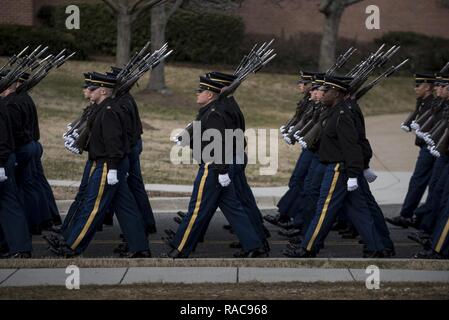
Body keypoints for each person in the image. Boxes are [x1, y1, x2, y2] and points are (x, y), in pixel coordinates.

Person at [45, 72, 151, 258]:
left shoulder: (109, 111)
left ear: (103, 90)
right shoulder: (103, 107)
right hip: (108, 163)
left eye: (92, 88)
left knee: (92, 207)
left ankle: (72, 247)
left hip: (108, 164)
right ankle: (139, 246)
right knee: (125, 206)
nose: (88, 90)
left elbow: (114, 143)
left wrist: (112, 168)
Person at [163, 76, 266, 258]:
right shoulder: (211, 110)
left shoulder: (215, 113)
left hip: (213, 167)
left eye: (200, 91)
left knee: (197, 209)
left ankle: (180, 248)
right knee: (232, 207)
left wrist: (222, 170)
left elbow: (219, 145)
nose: (197, 94)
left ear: (210, 94)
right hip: (218, 166)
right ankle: (254, 245)